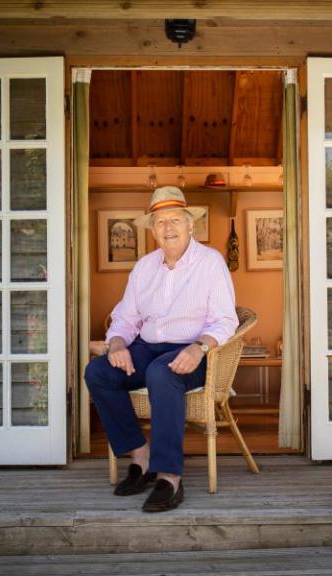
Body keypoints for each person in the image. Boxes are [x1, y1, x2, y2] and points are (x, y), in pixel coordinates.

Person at [85, 186, 238, 513]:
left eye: (175, 220)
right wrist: (116, 344)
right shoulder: (144, 267)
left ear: (189, 224)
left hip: (192, 351)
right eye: (160, 222)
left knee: (161, 374)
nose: (168, 228)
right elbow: (126, 318)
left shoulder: (211, 263)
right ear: (152, 231)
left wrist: (199, 347)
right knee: (98, 371)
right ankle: (141, 457)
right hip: (146, 347)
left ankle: (169, 476)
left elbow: (226, 320)